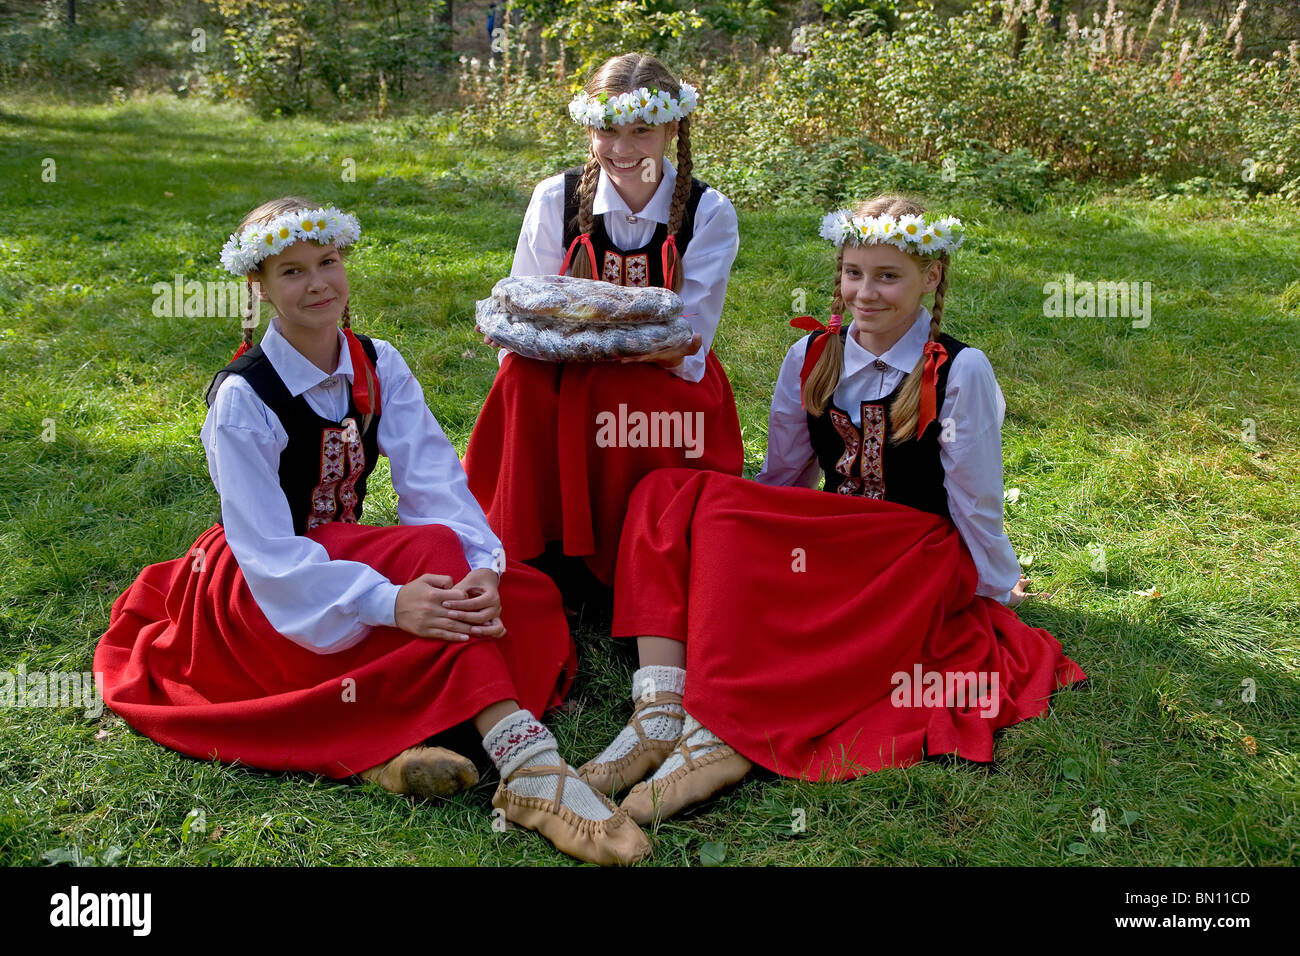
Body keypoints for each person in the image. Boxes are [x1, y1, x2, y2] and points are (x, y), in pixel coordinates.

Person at [94, 197, 650, 865]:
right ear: (259, 287)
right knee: (433, 566)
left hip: (341, 560)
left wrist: (480, 572)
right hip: (263, 590)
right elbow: (267, 551)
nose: (318, 283)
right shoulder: (244, 399)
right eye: (292, 272)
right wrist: (388, 601)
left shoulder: (378, 363)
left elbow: (436, 485)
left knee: (515, 596)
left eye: (327, 263)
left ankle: (390, 755)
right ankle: (528, 764)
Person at [578, 195, 1088, 824]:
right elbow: (785, 476)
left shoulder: (960, 369)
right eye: (853, 273)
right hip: (835, 532)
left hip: (912, 547)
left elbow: (976, 498)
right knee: (668, 494)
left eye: (887, 276)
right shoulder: (812, 355)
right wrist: (749, 538)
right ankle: (658, 709)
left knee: (760, 557)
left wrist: (992, 587)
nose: (865, 294)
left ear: (932, 277)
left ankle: (724, 738)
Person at [462, 52, 744, 608]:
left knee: (619, 392)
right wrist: (544, 357)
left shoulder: (708, 213)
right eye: (607, 129)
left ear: (671, 128)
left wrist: (617, 350)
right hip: (559, 368)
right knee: (521, 379)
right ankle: (538, 548)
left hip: (662, 373)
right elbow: (527, 306)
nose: (622, 148)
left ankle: (629, 559)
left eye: (642, 131)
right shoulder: (556, 198)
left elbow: (686, 337)